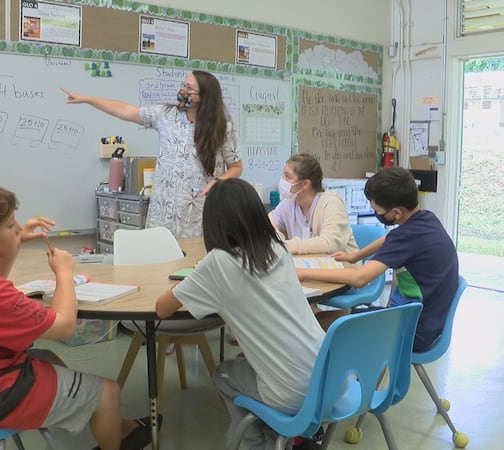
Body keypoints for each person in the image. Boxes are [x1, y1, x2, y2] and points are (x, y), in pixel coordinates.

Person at [0, 183, 157, 450]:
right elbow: (64, 326)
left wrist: (13, 242)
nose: (18, 228)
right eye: (10, 226)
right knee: (108, 393)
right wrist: (64, 272)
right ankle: (117, 430)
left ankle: (123, 429)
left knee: (48, 359)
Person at [154, 178, 325, 450]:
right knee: (249, 364)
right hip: (329, 376)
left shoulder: (218, 263)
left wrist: (185, 283)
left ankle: (260, 444)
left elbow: (162, 308)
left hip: (293, 393)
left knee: (223, 374)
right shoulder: (277, 249)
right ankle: (284, 438)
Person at [61, 70, 243, 238]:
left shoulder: (223, 127)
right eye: (183, 85)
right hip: (163, 210)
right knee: (161, 262)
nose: (183, 91)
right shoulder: (166, 115)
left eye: (189, 88)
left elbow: (236, 167)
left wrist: (218, 182)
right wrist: (88, 99)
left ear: (204, 96)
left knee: (195, 264)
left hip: (200, 212)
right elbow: (125, 110)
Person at [297, 167, 459, 351]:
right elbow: (388, 238)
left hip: (412, 332)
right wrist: (355, 256)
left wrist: (302, 273)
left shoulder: (405, 237)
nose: (374, 211)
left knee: (319, 323)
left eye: (376, 209)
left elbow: (360, 279)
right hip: (428, 322)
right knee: (329, 316)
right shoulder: (425, 219)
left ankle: (341, 374)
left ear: (396, 213)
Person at [269, 153, 358, 255]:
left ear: (305, 184)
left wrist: (284, 246)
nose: (282, 181)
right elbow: (266, 227)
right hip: (310, 266)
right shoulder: (288, 203)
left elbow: (328, 243)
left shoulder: (330, 202)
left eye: (288, 177)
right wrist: (277, 238)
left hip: (342, 267)